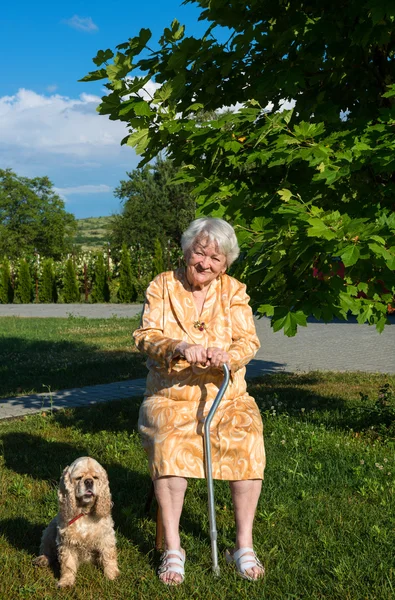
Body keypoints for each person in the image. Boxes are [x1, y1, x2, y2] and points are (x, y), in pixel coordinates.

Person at [133, 217, 265, 585]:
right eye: (200, 253)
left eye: (216, 258)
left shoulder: (234, 291)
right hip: (170, 393)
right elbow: (145, 335)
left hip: (225, 395)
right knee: (170, 441)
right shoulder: (163, 285)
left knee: (247, 436)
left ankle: (242, 545)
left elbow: (248, 341)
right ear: (186, 250)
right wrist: (178, 346)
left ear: (226, 264)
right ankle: (174, 549)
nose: (205, 263)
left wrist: (229, 356)